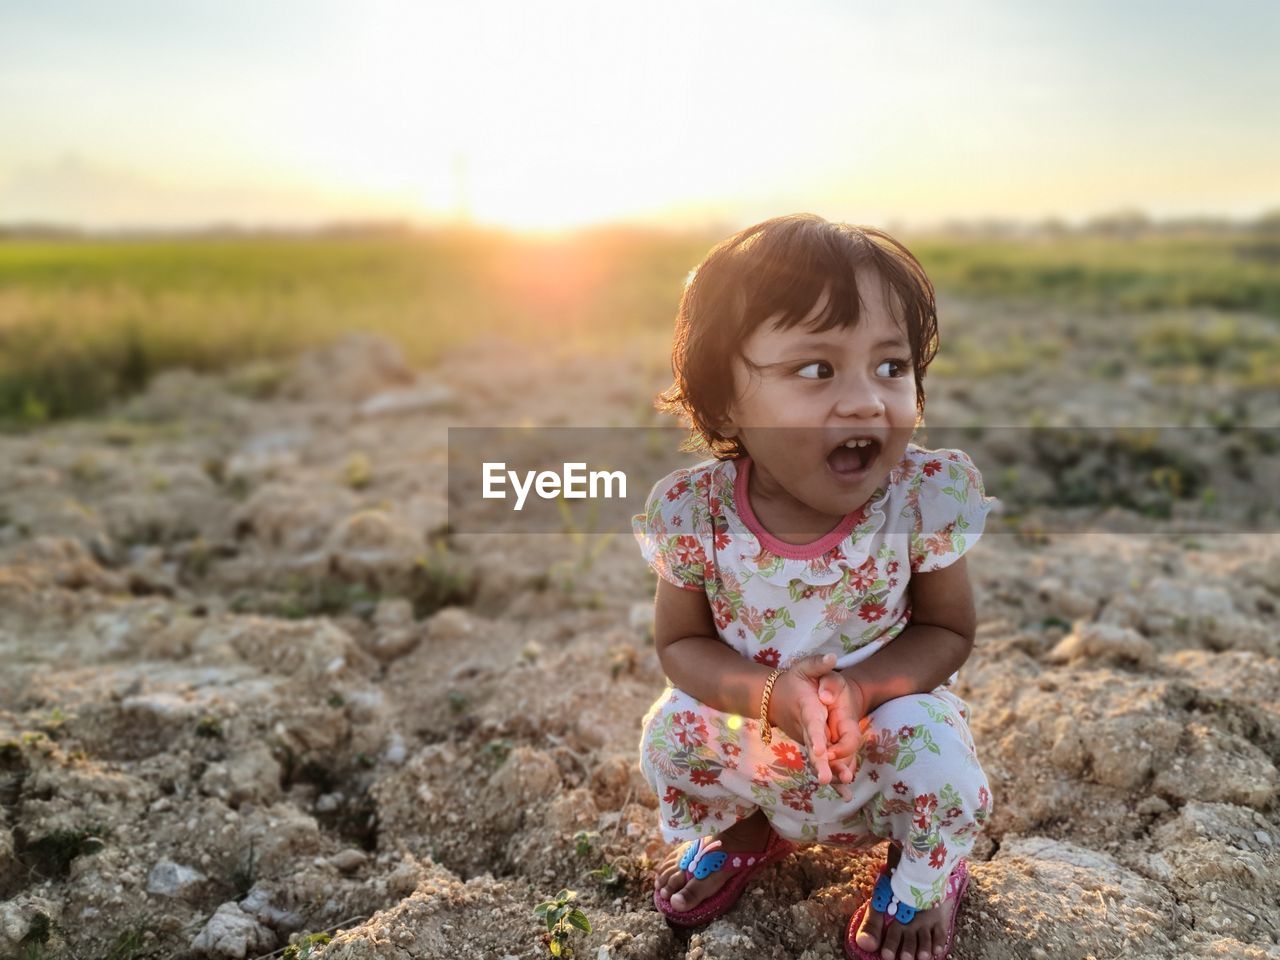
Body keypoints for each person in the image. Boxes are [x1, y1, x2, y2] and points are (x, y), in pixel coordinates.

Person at [630, 214, 1000, 960]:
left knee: (937, 759)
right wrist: (771, 698)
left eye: (891, 367)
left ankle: (922, 876)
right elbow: (681, 643)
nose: (866, 400)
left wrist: (861, 691)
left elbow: (948, 632)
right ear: (725, 401)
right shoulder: (696, 512)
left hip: (878, 726)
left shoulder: (919, 497)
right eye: (815, 369)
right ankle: (746, 828)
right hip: (758, 727)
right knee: (670, 736)